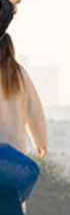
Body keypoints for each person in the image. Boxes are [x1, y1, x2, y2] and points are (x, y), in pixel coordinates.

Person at [0, 33, 47, 204]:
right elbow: (34, 110)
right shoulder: (19, 74)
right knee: (14, 200)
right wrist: (40, 141)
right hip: (15, 157)